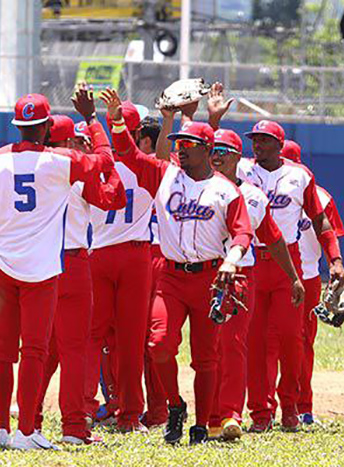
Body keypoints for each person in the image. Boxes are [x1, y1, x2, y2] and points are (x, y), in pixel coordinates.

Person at [0, 88, 114, 450]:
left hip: (0, 265)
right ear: (44, 128)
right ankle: (26, 431)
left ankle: (0, 429)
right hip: (41, 270)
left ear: (17, 126)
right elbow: (104, 159)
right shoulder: (59, 161)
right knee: (35, 352)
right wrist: (91, 119)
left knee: (3, 353)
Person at [100, 88, 254, 445]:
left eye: (188, 144)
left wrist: (232, 261)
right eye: (178, 144)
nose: (180, 148)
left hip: (209, 277)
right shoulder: (166, 176)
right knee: (158, 345)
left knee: (205, 358)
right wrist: (117, 121)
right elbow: (128, 154)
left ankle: (201, 425)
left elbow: (243, 231)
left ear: (206, 149)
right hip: (170, 276)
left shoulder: (225, 190)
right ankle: (174, 405)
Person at [237, 120, 344, 432]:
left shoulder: (299, 175)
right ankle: (260, 413)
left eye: (264, 140)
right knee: (256, 342)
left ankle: (291, 409)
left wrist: (335, 260)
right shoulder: (243, 170)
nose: (257, 144)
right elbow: (215, 160)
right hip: (251, 259)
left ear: (279, 144)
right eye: (254, 139)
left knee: (292, 339)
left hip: (288, 262)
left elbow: (320, 221)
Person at [32, 115, 127, 445]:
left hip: (36, 264)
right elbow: (115, 198)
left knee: (37, 349)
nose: (79, 144)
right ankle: (73, 428)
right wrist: (104, 155)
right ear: (68, 143)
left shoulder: (25, 166)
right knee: (74, 350)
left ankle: (29, 423)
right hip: (70, 264)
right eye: (75, 140)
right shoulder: (76, 170)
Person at [206, 128, 304, 441]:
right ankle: (206, 414)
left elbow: (273, 238)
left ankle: (230, 413)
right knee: (207, 349)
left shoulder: (253, 195)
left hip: (239, 276)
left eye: (224, 151)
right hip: (200, 273)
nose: (217, 156)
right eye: (214, 150)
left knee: (233, 345)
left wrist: (293, 277)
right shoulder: (193, 184)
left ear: (238, 158)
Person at [84, 101, 155, 433]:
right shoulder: (148, 167)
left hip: (97, 254)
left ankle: (83, 408)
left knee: (91, 337)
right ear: (137, 132)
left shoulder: (92, 165)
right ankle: (129, 415)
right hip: (135, 256)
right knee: (131, 341)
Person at [280, 140, 344, 426]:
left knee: (287, 345)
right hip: (305, 277)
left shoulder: (316, 195)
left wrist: (336, 266)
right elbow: (332, 238)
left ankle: (284, 409)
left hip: (302, 276)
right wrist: (337, 265)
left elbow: (330, 235)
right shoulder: (321, 194)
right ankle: (298, 408)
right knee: (301, 344)